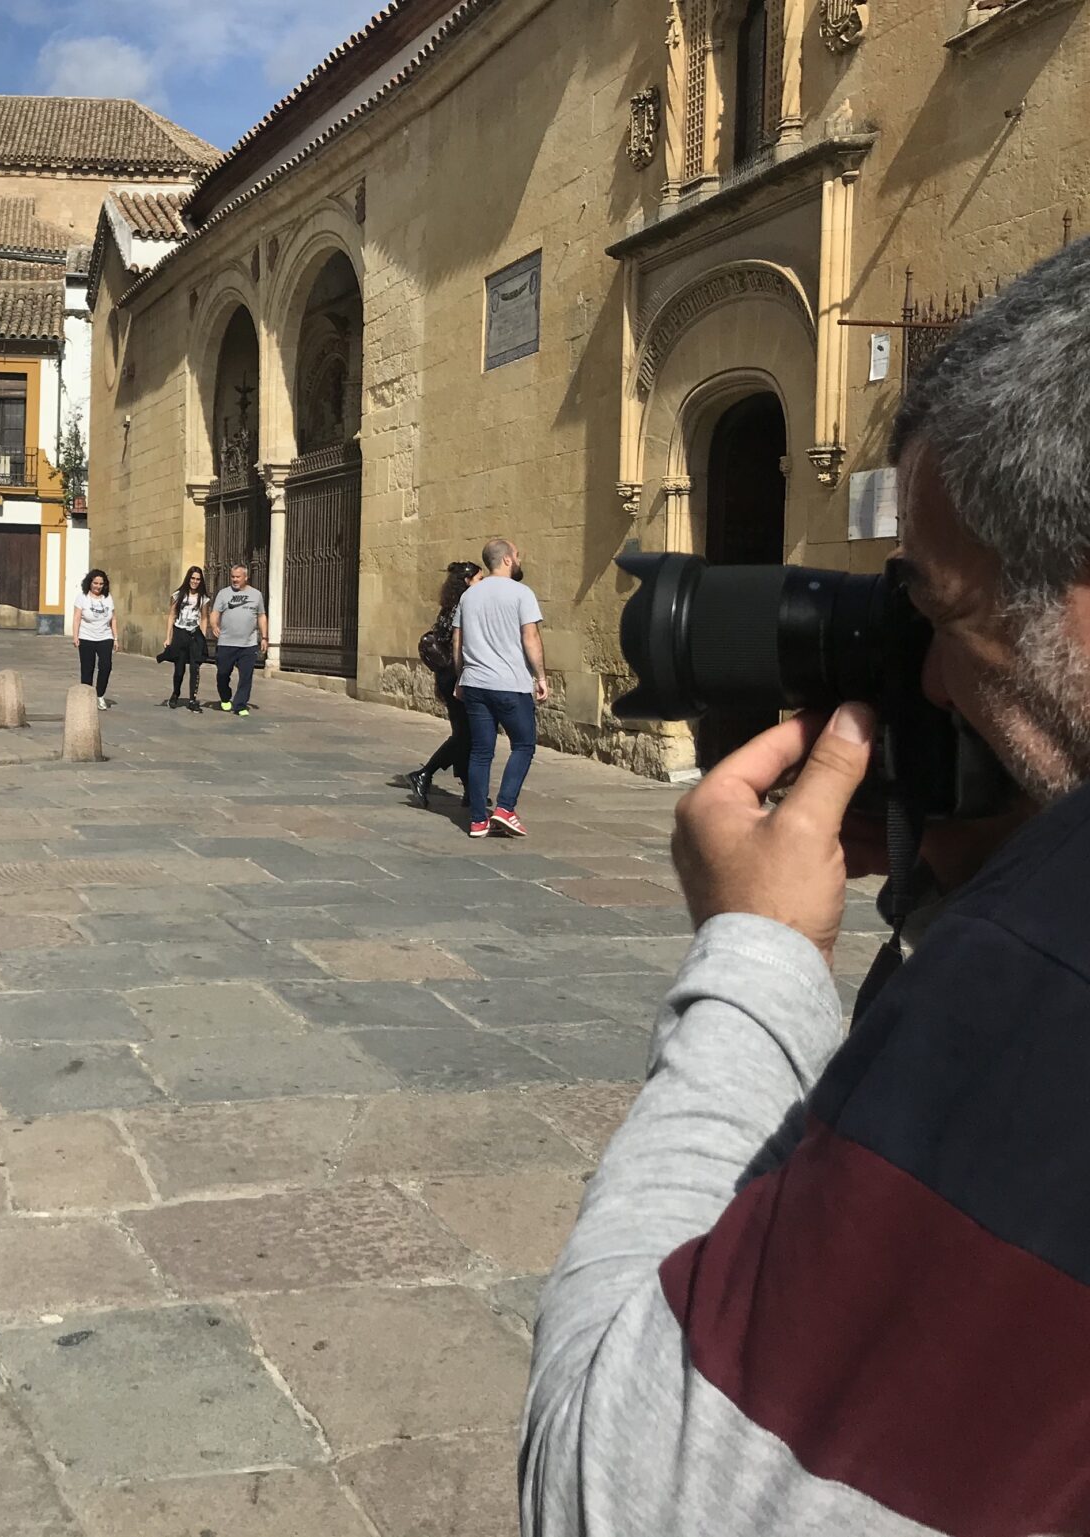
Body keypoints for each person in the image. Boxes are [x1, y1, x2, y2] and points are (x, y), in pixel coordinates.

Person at [520, 239, 1090, 1537]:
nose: (925, 678)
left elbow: (623, 1492)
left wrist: (756, 951)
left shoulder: (1056, 969)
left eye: (940, 613)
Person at [454, 537, 547, 836]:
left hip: (475, 683)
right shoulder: (522, 593)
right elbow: (530, 637)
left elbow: (458, 641)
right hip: (510, 684)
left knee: (481, 751)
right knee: (523, 745)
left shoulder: (469, 596)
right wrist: (541, 677)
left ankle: (478, 820)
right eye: (517, 555)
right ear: (507, 559)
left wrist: (460, 677)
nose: (519, 559)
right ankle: (505, 808)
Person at [392, 559, 481, 804]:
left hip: (448, 676)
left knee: (464, 733)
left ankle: (470, 790)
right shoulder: (463, 606)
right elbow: (459, 644)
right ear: (467, 581)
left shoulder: (451, 605)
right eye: (479, 579)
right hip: (456, 677)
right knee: (465, 735)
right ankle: (424, 774)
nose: (483, 583)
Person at [209, 563, 269, 717]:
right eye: (232, 577)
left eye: (238, 577)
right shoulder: (223, 594)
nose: (235, 580)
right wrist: (214, 625)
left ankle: (240, 704)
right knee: (222, 674)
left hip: (248, 644)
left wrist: (264, 637)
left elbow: (261, 616)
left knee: (246, 677)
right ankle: (225, 697)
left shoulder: (256, 595)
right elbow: (215, 612)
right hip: (226, 643)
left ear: (246, 577)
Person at [163, 564, 209, 711]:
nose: (195, 581)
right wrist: (168, 637)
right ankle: (175, 693)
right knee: (179, 668)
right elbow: (172, 615)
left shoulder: (203, 598)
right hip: (180, 633)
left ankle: (192, 699)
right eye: (193, 578)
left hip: (194, 634)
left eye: (198, 579)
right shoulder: (178, 595)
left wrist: (202, 638)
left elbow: (204, 618)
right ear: (188, 579)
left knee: (195, 668)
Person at [70, 568, 116, 710]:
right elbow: (77, 618)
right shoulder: (82, 597)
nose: (98, 586)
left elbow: (113, 619)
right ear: (90, 583)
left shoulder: (108, 597)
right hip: (86, 637)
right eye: (95, 583)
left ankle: (100, 695)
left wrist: (116, 638)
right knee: (87, 668)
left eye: (101, 584)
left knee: (106, 666)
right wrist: (75, 636)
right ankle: (86, 696)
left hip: (105, 636)